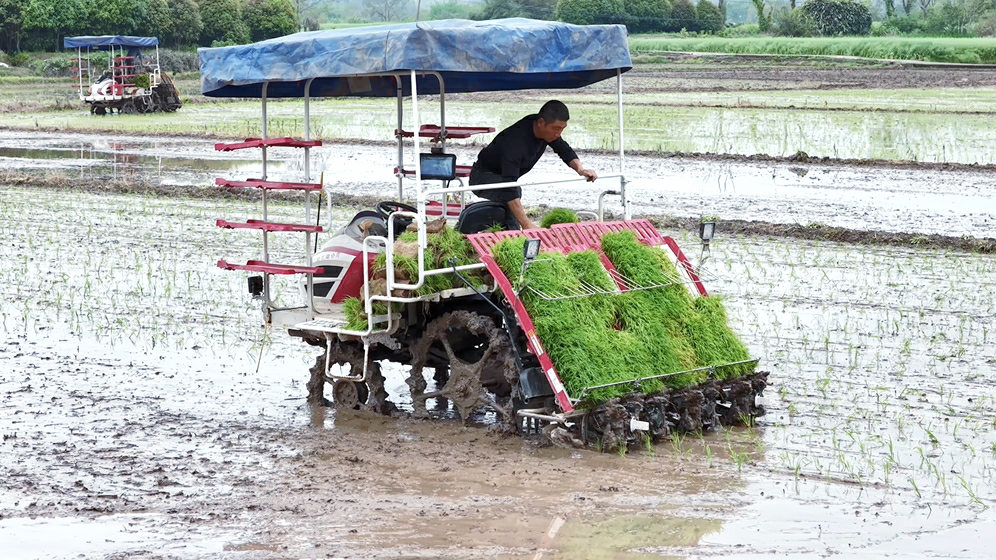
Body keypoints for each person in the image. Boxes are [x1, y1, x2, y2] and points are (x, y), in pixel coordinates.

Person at [469, 100, 597, 230]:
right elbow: (509, 187)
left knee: (510, 203)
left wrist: (580, 169)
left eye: (562, 129)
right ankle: (516, 233)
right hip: (482, 178)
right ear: (541, 123)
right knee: (512, 195)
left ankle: (511, 232)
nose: (558, 134)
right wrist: (527, 224)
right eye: (556, 128)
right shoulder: (515, 143)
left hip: (504, 178)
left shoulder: (546, 132)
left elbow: (564, 150)